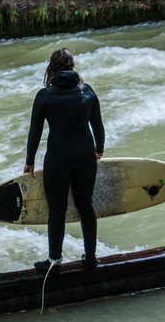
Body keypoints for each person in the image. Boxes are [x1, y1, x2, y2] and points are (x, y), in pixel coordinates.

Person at [24, 48, 105, 275]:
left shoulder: (45, 95)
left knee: (57, 211)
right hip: (85, 156)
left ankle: (54, 261)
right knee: (86, 207)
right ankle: (90, 259)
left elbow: (35, 132)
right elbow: (98, 126)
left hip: (58, 159)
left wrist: (29, 161)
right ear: (72, 66)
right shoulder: (86, 91)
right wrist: (99, 149)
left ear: (52, 67)